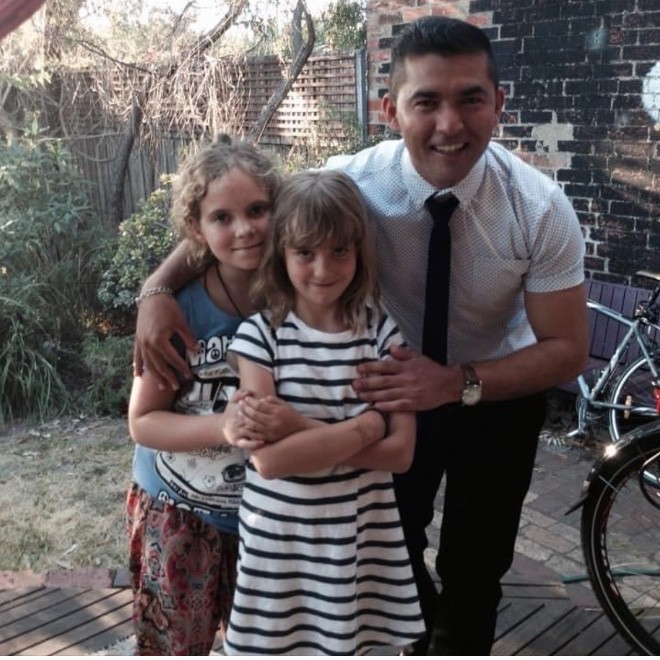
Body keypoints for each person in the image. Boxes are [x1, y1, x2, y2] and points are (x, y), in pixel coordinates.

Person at [132, 16, 588, 656]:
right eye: (426, 101)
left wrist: (455, 383)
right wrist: (156, 289)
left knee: (478, 567)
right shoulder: (351, 183)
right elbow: (240, 220)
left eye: (470, 99)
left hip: (493, 393)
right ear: (390, 110)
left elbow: (567, 349)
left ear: (498, 103)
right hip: (384, 387)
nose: (449, 124)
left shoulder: (540, 208)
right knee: (391, 548)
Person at [220, 168, 424, 655]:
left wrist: (298, 426)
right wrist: (366, 427)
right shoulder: (261, 337)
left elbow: (400, 455)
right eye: (305, 252)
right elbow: (272, 460)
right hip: (282, 542)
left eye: (339, 251)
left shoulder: (381, 334)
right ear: (281, 253)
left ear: (359, 251)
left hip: (359, 536)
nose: (323, 269)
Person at [125, 136, 284, 655]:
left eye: (257, 209)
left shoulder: (302, 295)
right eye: (222, 217)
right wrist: (224, 426)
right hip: (178, 513)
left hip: (268, 516)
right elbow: (143, 421)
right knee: (175, 646)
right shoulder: (180, 311)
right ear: (196, 228)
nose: (245, 229)